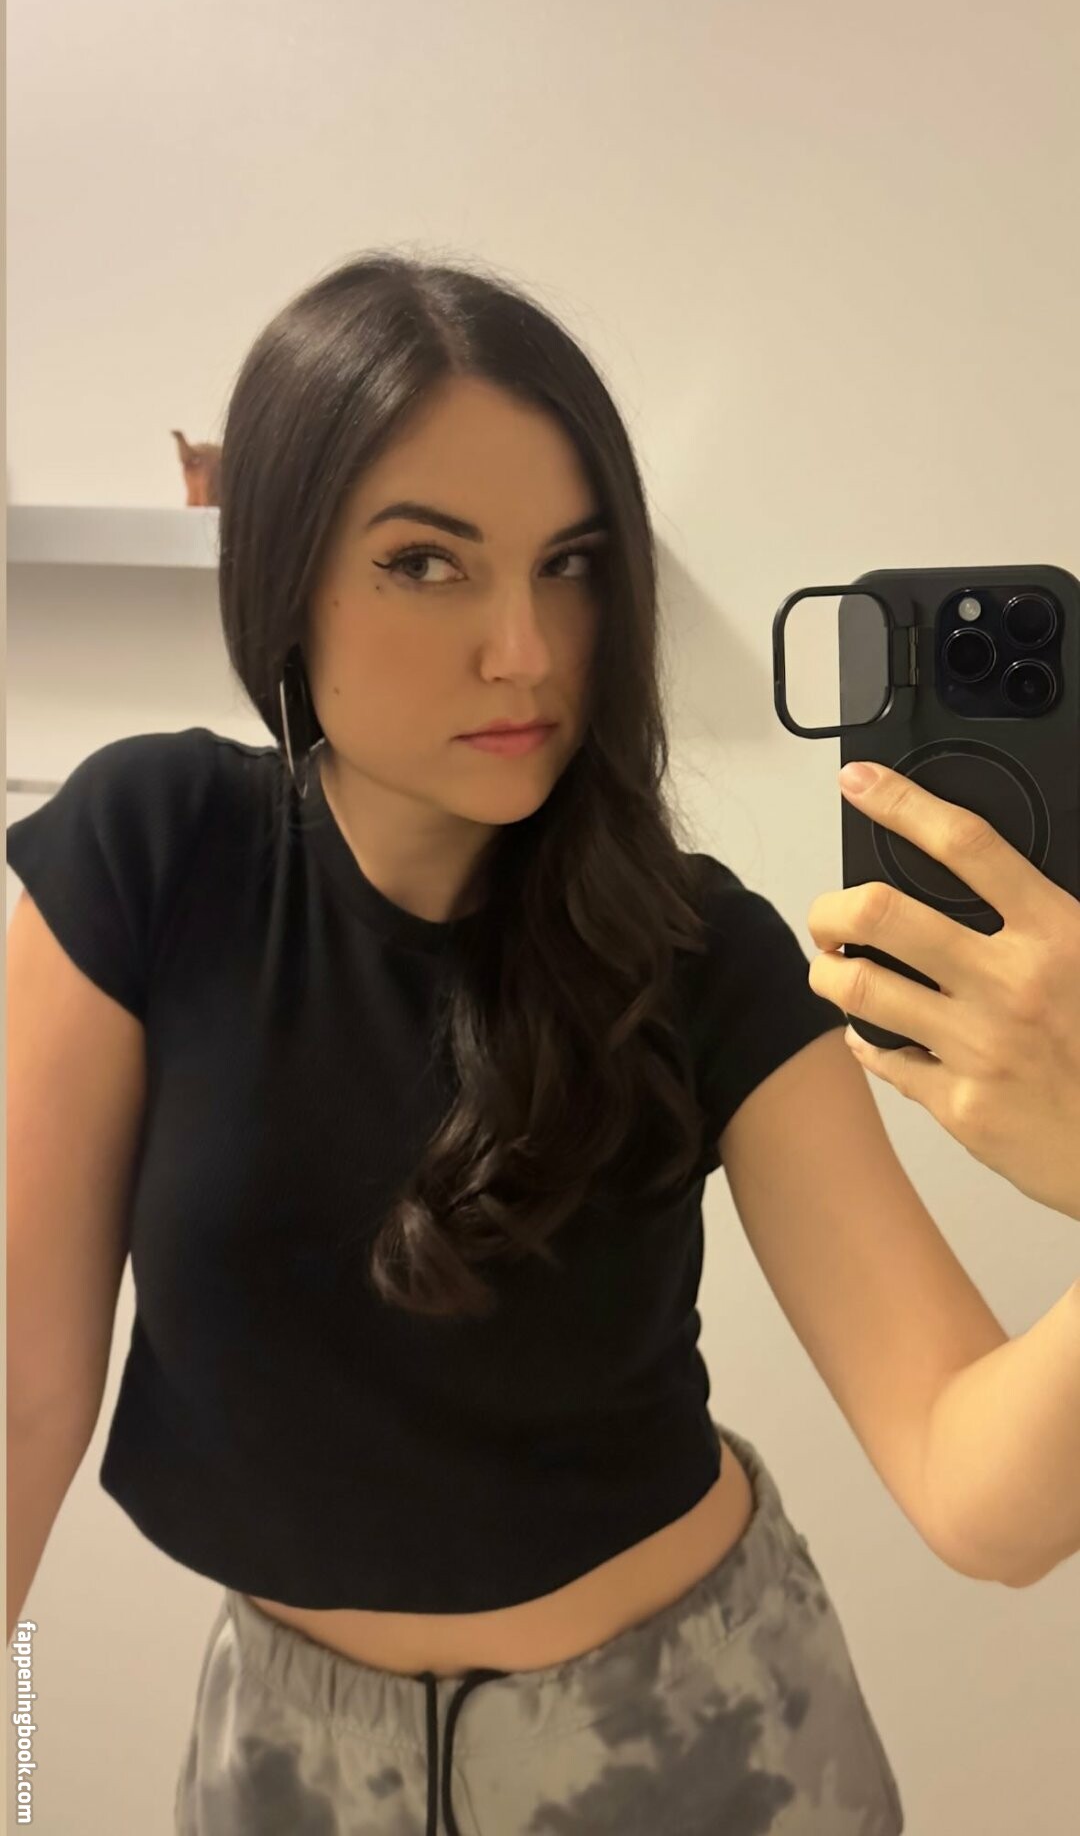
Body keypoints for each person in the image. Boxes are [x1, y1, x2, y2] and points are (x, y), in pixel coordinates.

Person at [8, 252, 1078, 1835]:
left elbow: (975, 1492)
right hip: (289, 1768)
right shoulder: (150, 852)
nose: (524, 647)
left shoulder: (697, 948)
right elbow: (22, 1393)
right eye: (425, 563)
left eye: (570, 563)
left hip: (697, 1746)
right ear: (284, 575)